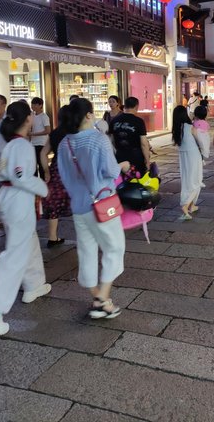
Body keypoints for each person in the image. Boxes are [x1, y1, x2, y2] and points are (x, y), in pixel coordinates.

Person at [0, 101, 51, 337]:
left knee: (27, 241)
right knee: (16, 253)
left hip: (9, 198)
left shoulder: (6, 143)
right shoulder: (21, 145)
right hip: (19, 198)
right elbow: (21, 176)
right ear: (28, 118)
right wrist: (43, 188)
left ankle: (34, 284)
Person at [57, 98, 127, 319]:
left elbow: (64, 175)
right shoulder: (99, 139)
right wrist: (122, 166)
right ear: (88, 115)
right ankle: (101, 298)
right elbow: (110, 171)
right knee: (114, 247)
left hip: (78, 206)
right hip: (101, 204)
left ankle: (98, 297)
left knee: (86, 251)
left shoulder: (64, 143)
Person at [40, 105, 71, 248]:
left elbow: (43, 153)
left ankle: (52, 237)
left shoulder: (55, 133)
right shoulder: (75, 132)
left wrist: (46, 171)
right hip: (73, 170)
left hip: (57, 169)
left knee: (54, 202)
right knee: (79, 201)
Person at [172, 105, 203, 220]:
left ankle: (192, 205)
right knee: (196, 179)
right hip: (193, 155)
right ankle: (185, 205)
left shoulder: (176, 128)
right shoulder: (190, 126)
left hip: (183, 156)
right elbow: (200, 140)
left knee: (187, 179)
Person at [109, 96, 151, 176]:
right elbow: (144, 144)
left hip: (120, 155)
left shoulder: (114, 120)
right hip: (136, 156)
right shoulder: (139, 121)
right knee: (137, 179)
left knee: (122, 180)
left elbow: (112, 140)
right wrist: (147, 161)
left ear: (125, 106)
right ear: (136, 107)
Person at [30, 97, 51, 178]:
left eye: (35, 104)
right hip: (33, 144)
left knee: (41, 165)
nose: (33, 106)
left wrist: (33, 134)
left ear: (40, 105)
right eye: (32, 104)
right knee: (33, 165)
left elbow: (47, 130)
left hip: (41, 143)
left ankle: (43, 184)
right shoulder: (32, 116)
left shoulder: (44, 117)